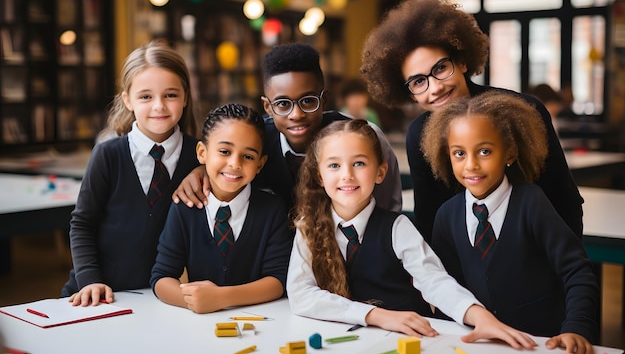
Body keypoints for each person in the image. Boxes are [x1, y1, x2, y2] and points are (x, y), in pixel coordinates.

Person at [286, 118, 537, 350]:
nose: (347, 175)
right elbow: (301, 295)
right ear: (319, 175)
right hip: (351, 341)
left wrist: (480, 316)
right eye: (334, 165)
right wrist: (375, 316)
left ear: (381, 172)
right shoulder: (309, 227)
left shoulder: (398, 227)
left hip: (408, 341)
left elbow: (435, 281)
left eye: (359, 163)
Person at [360, 0, 583, 244]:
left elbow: (565, 202)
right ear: (407, 91)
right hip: (461, 273)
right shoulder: (419, 135)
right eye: (418, 81)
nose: (434, 88)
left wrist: (564, 272)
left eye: (441, 68)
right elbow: (430, 221)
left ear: (462, 61)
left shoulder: (523, 111)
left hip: (536, 257)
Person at [422, 91, 599, 352]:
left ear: (510, 153)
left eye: (484, 151)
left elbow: (577, 272)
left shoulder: (532, 203)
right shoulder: (446, 216)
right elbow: (448, 288)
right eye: (459, 153)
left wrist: (576, 328)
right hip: (478, 345)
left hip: (540, 343)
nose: (470, 165)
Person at [173, 42, 402, 213]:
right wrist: (201, 172)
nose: (297, 114)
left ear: (324, 99)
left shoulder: (363, 138)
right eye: (283, 104)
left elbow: (388, 210)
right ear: (268, 107)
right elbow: (226, 162)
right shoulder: (253, 139)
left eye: (308, 101)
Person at [61, 41, 201, 305]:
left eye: (170, 95)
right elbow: (82, 224)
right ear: (128, 100)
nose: (159, 106)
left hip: (159, 299)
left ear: (185, 96)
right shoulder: (108, 155)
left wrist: (203, 169)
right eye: (146, 96)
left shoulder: (200, 157)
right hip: (97, 293)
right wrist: (90, 280)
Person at [150, 103, 292, 313]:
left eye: (248, 156)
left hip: (261, 322)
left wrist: (221, 298)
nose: (235, 164)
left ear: (260, 164)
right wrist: (194, 300)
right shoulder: (185, 208)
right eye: (225, 151)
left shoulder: (272, 210)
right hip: (202, 327)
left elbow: (278, 280)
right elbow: (162, 278)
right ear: (202, 153)